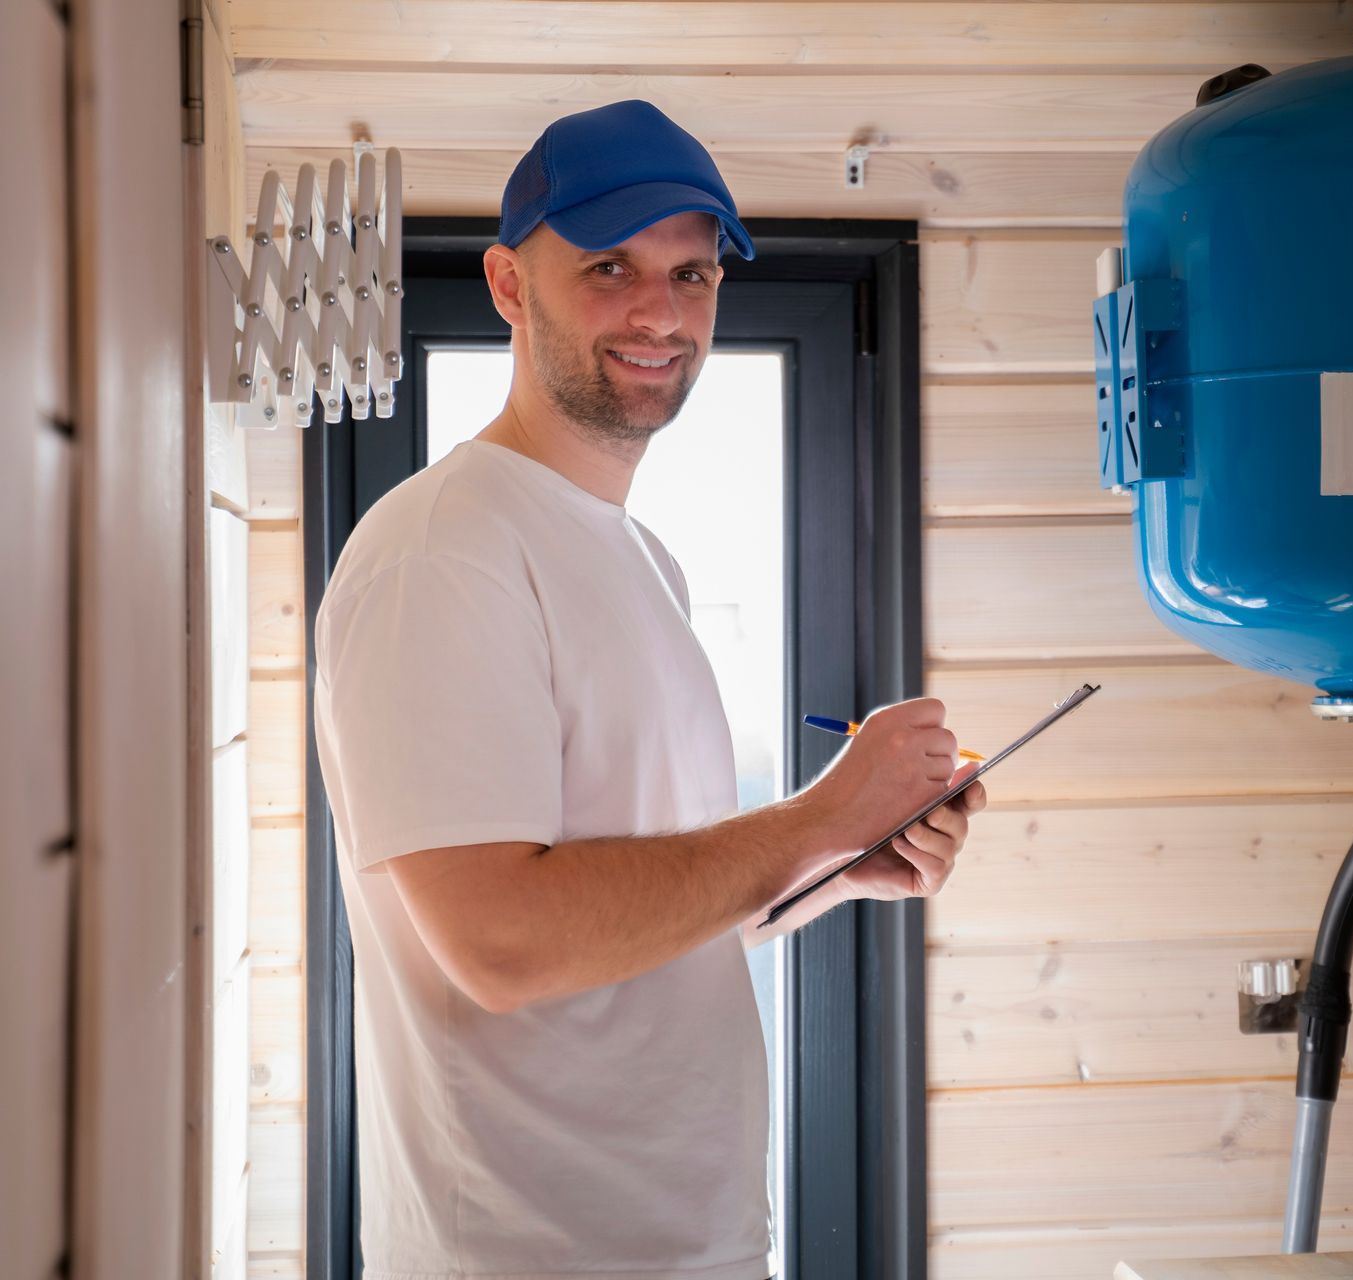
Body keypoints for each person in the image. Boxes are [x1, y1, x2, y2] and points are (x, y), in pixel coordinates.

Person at [313, 99, 985, 1280]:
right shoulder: (443, 551)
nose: (662, 313)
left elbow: (640, 903)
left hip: (689, 1243)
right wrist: (817, 815)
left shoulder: (637, 557)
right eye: (610, 267)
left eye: (694, 273)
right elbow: (503, 940)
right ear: (510, 286)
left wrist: (832, 868)